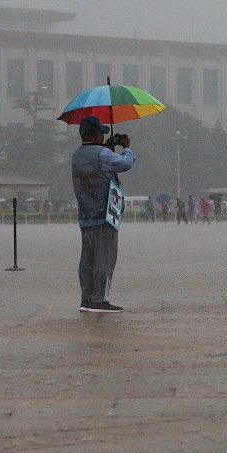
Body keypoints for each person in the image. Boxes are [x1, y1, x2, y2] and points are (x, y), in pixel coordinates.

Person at [71, 116, 135, 313]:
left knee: (87, 259)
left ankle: (87, 299)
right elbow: (125, 164)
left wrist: (105, 148)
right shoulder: (103, 154)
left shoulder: (77, 155)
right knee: (105, 258)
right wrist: (126, 148)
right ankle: (100, 300)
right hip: (105, 214)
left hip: (85, 214)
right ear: (97, 135)